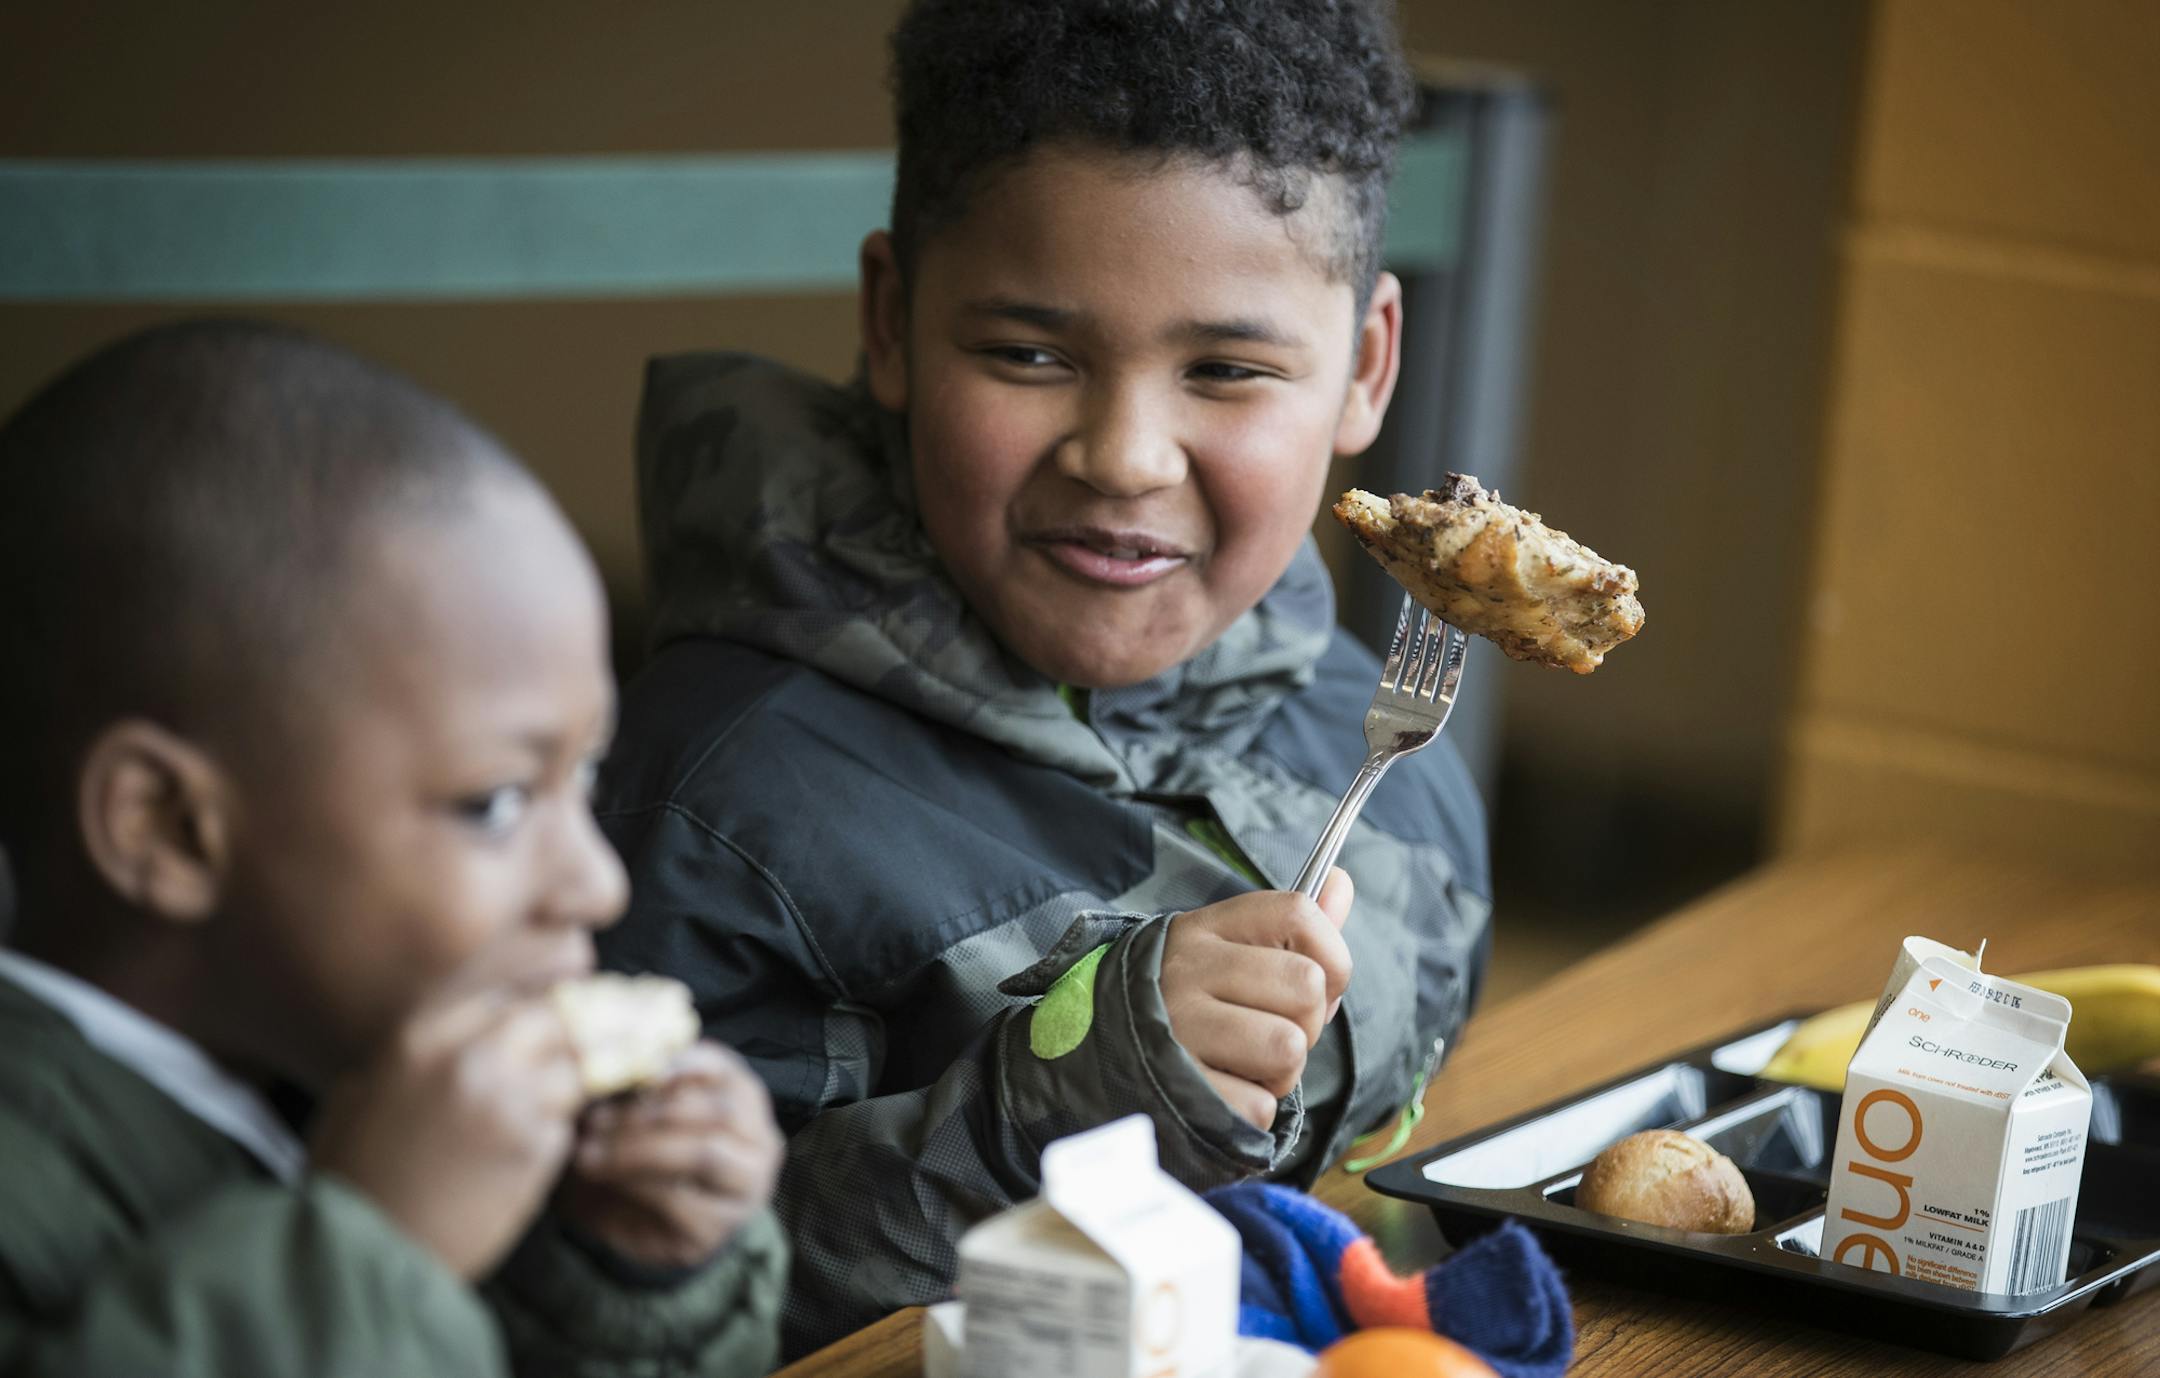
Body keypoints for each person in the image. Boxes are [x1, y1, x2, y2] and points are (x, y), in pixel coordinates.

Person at [599, 0, 1491, 1356]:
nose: (1124, 454)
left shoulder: (1358, 726)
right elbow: (663, 1315)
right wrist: (1065, 1100)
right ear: (894, 321)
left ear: (1365, 365)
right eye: (1030, 353)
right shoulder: (719, 801)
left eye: (1228, 368)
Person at [0, 320, 786, 1376]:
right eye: (497, 803)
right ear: (171, 831)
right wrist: (377, 1247)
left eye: (585, 776)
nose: (597, 883)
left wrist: (623, 1268)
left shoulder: (339, 1054)